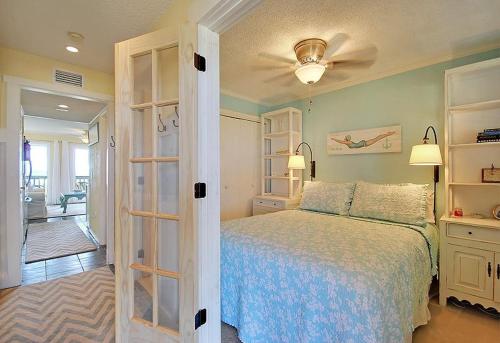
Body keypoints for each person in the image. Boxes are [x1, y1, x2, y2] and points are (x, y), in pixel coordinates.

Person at [331, 131, 396, 149]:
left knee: (377, 139)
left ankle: (389, 134)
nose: (344, 138)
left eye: (345, 137)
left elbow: (340, 142)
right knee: (376, 139)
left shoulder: (348, 142)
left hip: (364, 143)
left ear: (346, 139)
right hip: (363, 144)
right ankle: (388, 134)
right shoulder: (348, 142)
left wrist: (334, 139)